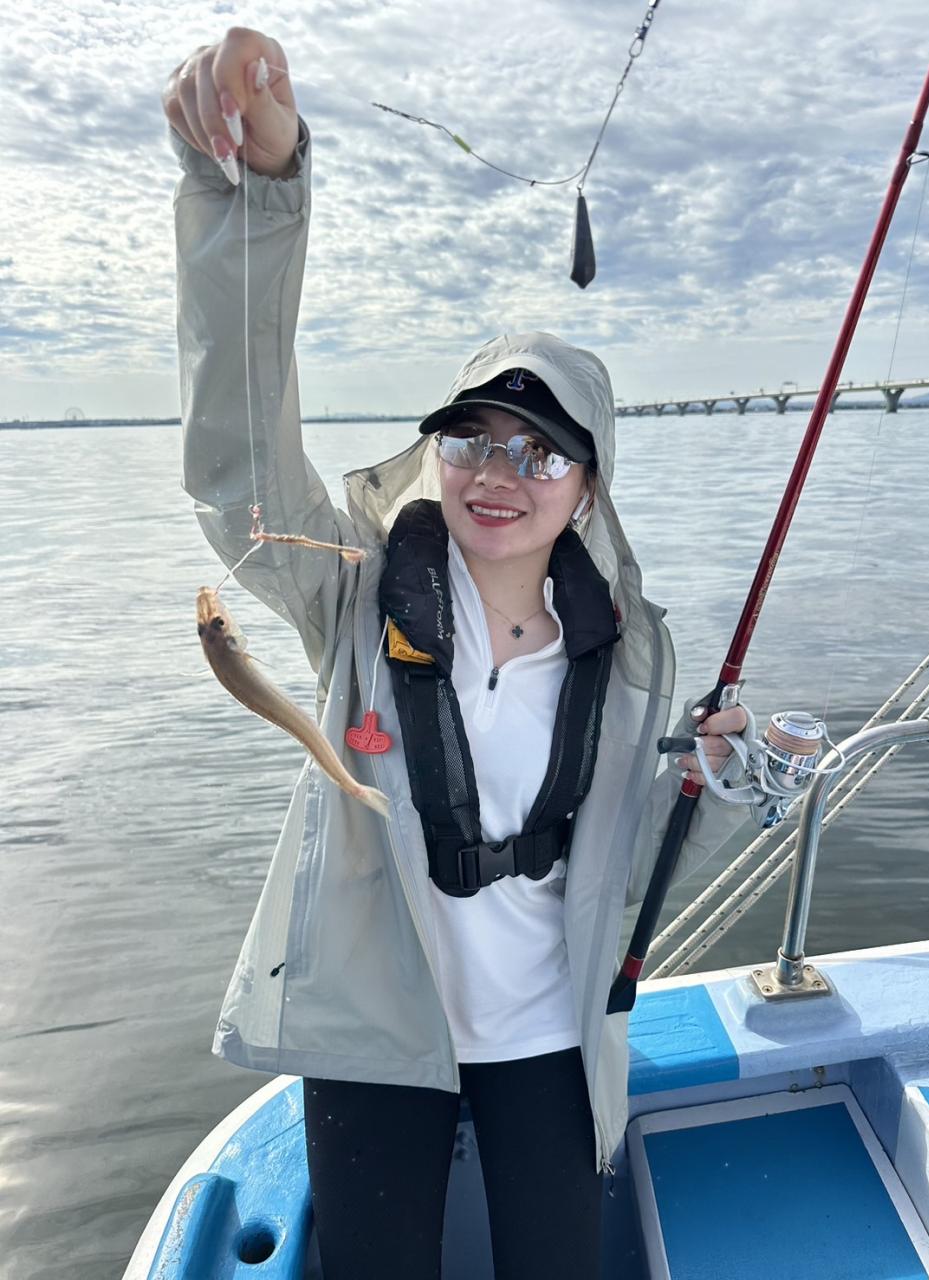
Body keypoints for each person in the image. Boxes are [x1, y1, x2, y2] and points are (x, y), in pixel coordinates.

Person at [163, 28, 753, 1280]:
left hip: (549, 1033)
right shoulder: (348, 587)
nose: (500, 471)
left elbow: (633, 850)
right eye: (473, 438)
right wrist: (255, 196)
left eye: (541, 450)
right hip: (376, 1026)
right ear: (435, 455)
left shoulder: (628, 657)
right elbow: (239, 467)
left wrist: (719, 775)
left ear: (587, 488)